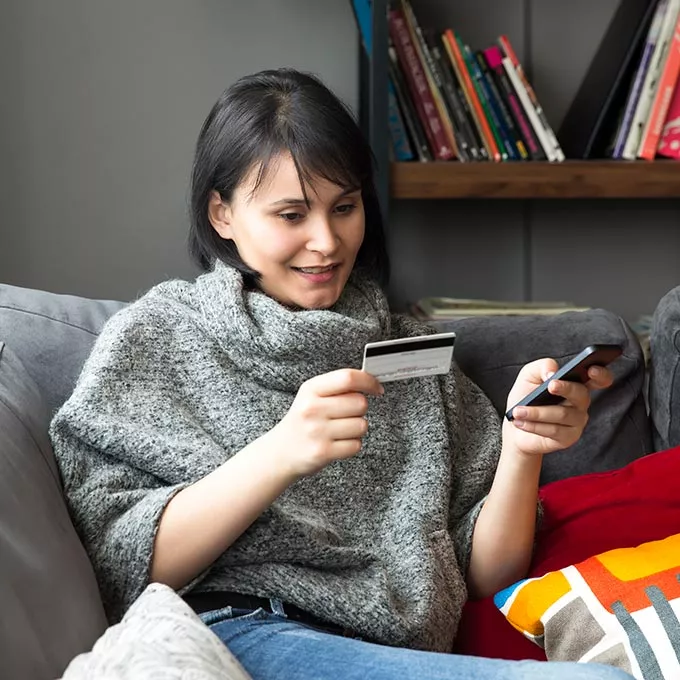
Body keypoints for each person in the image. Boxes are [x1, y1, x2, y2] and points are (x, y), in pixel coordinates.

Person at [49, 68, 633, 680]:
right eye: (291, 214)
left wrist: (520, 447)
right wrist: (279, 453)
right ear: (222, 215)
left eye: (344, 207)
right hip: (241, 634)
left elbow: (490, 576)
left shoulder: (412, 354)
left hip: (401, 649)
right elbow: (120, 563)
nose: (326, 241)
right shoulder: (161, 336)